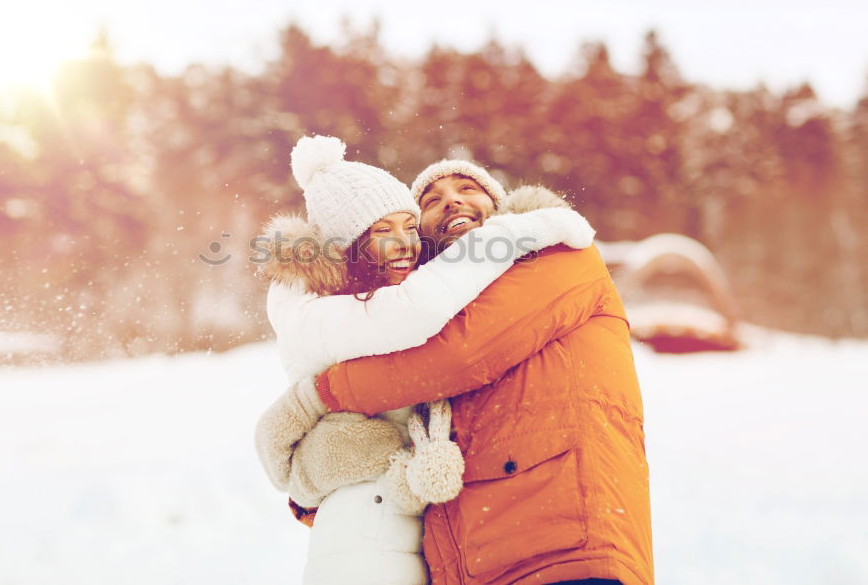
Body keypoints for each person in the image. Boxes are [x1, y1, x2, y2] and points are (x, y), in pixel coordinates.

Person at [258, 157, 654, 585]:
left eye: (467, 188)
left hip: (563, 544)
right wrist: (319, 473)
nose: (451, 201)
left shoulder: (556, 254)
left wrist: (322, 394)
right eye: (431, 200)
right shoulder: (425, 311)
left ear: (498, 204)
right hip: (468, 561)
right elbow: (398, 433)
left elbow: (458, 356)